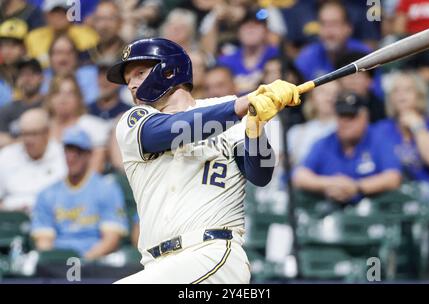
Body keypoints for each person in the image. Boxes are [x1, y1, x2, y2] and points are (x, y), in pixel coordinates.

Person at [106, 38, 300, 283]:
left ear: (168, 70)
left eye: (139, 73)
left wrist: (256, 126)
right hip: (158, 265)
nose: (132, 85)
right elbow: (176, 129)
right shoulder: (134, 121)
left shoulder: (226, 109)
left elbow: (260, 174)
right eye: (128, 80)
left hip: (212, 254)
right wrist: (240, 107)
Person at [31, 126, 128, 260]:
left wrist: (82, 262)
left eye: (78, 151)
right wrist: (57, 262)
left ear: (89, 154)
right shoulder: (48, 193)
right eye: (68, 150)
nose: (72, 157)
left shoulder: (106, 189)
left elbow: (111, 239)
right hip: (58, 262)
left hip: (95, 262)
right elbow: (44, 241)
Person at [292, 93, 402, 205]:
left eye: (351, 117)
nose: (345, 123)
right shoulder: (325, 142)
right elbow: (299, 176)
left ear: (364, 117)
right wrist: (330, 184)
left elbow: (393, 177)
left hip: (373, 211)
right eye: (341, 116)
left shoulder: (379, 139)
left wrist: (357, 187)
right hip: (330, 210)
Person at [379, 72, 429, 212]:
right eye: (396, 91)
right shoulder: (380, 129)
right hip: (389, 194)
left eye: (407, 90)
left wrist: (417, 126)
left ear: (420, 95)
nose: (401, 95)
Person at [0, 108, 66, 212]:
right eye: (24, 134)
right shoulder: (7, 155)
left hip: (51, 216)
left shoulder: (63, 155)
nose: (28, 140)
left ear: (47, 133)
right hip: (11, 218)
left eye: (34, 134)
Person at [45, 74, 110, 173]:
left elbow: (96, 169)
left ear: (79, 98)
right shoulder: (42, 128)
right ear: (50, 98)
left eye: (69, 94)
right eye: (57, 93)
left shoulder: (93, 126)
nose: (63, 99)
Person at [217, 8, 278, 95]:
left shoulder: (276, 55)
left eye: (256, 25)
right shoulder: (226, 61)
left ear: (265, 31)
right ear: (238, 32)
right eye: (245, 25)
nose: (250, 30)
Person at [25, 0, 99, 69]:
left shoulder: (88, 35)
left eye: (64, 11)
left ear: (72, 13)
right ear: (46, 15)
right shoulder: (34, 37)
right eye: (54, 12)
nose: (59, 16)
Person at [287, 82, 340, 166]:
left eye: (335, 93)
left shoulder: (347, 130)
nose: (329, 97)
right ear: (311, 97)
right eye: (323, 92)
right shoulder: (296, 132)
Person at [0, 59, 44, 148]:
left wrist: (13, 141)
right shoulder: (7, 110)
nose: (27, 79)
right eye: (22, 75)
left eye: (32, 74)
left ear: (41, 78)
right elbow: (1, 140)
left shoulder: (49, 106)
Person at [0, 18, 28, 106]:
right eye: (3, 45)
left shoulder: (34, 72)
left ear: (24, 47)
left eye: (13, 45)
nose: (7, 51)